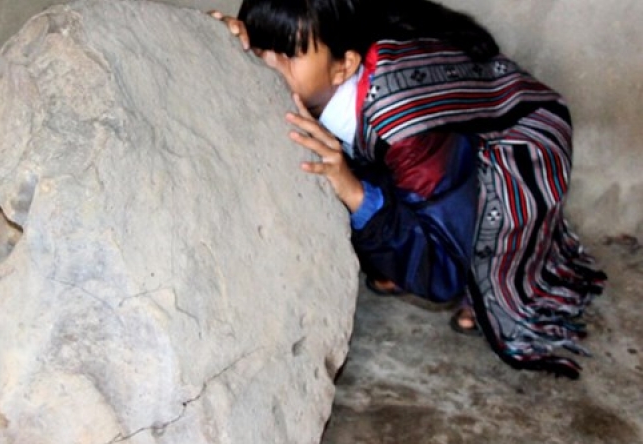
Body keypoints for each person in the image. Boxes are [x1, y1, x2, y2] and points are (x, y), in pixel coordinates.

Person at [210, 0, 606, 379]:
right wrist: (223, 41)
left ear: (343, 66)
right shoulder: (342, 75)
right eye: (259, 49)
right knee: (386, 199)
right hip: (434, 136)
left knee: (487, 270)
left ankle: (496, 291)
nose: (267, 66)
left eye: (287, 54)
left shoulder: (401, 129)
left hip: (522, 138)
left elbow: (444, 270)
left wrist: (353, 191)